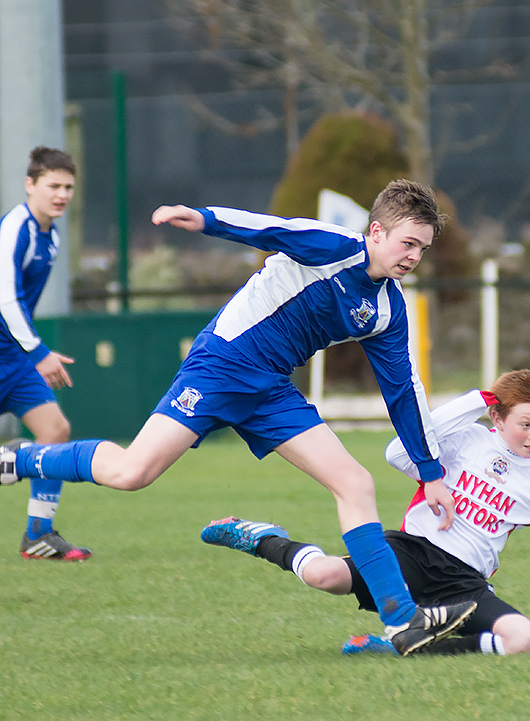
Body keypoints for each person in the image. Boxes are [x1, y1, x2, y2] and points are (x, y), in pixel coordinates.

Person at [0, 179, 476, 655]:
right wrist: (203, 218)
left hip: (271, 388)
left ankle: (401, 619)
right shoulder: (333, 247)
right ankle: (19, 461)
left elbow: (402, 390)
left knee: (355, 483)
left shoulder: (388, 308)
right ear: (376, 231)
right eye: (407, 243)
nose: (413, 256)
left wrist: (431, 472)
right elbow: (270, 228)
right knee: (131, 473)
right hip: (223, 366)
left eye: (422, 248)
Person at [200, 369, 530, 656]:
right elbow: (397, 453)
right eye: (525, 423)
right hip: (410, 552)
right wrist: (474, 400)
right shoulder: (465, 440)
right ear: (497, 417)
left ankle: (398, 644)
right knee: (324, 576)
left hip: (464, 581)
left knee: (524, 641)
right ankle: (262, 537)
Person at [0, 146, 91, 561]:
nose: (62, 194)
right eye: (53, 185)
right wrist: (38, 351)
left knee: (54, 432)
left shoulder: (49, 235)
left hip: (13, 357)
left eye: (68, 187)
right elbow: (5, 299)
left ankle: (39, 535)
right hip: (18, 352)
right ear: (30, 185)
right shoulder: (16, 227)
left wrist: (30, 350)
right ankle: (9, 459)